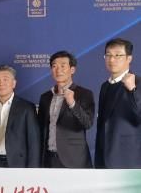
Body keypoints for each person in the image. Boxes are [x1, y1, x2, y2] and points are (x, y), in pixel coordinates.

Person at [0, 65, 41, 168]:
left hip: (17, 163)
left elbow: (34, 142)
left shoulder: (27, 108)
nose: (1, 83)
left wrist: (32, 170)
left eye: (5, 79)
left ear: (14, 83)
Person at [38, 51, 94, 168]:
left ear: (72, 70)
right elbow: (41, 128)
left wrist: (72, 103)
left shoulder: (84, 94)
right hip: (49, 158)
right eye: (54, 66)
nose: (58, 70)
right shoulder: (45, 97)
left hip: (74, 159)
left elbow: (87, 123)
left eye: (63, 66)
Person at [95, 38, 140, 168]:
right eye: (108, 55)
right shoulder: (105, 86)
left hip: (129, 160)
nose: (112, 60)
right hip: (103, 159)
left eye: (118, 55)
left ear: (129, 58)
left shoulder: (138, 83)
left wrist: (133, 90)